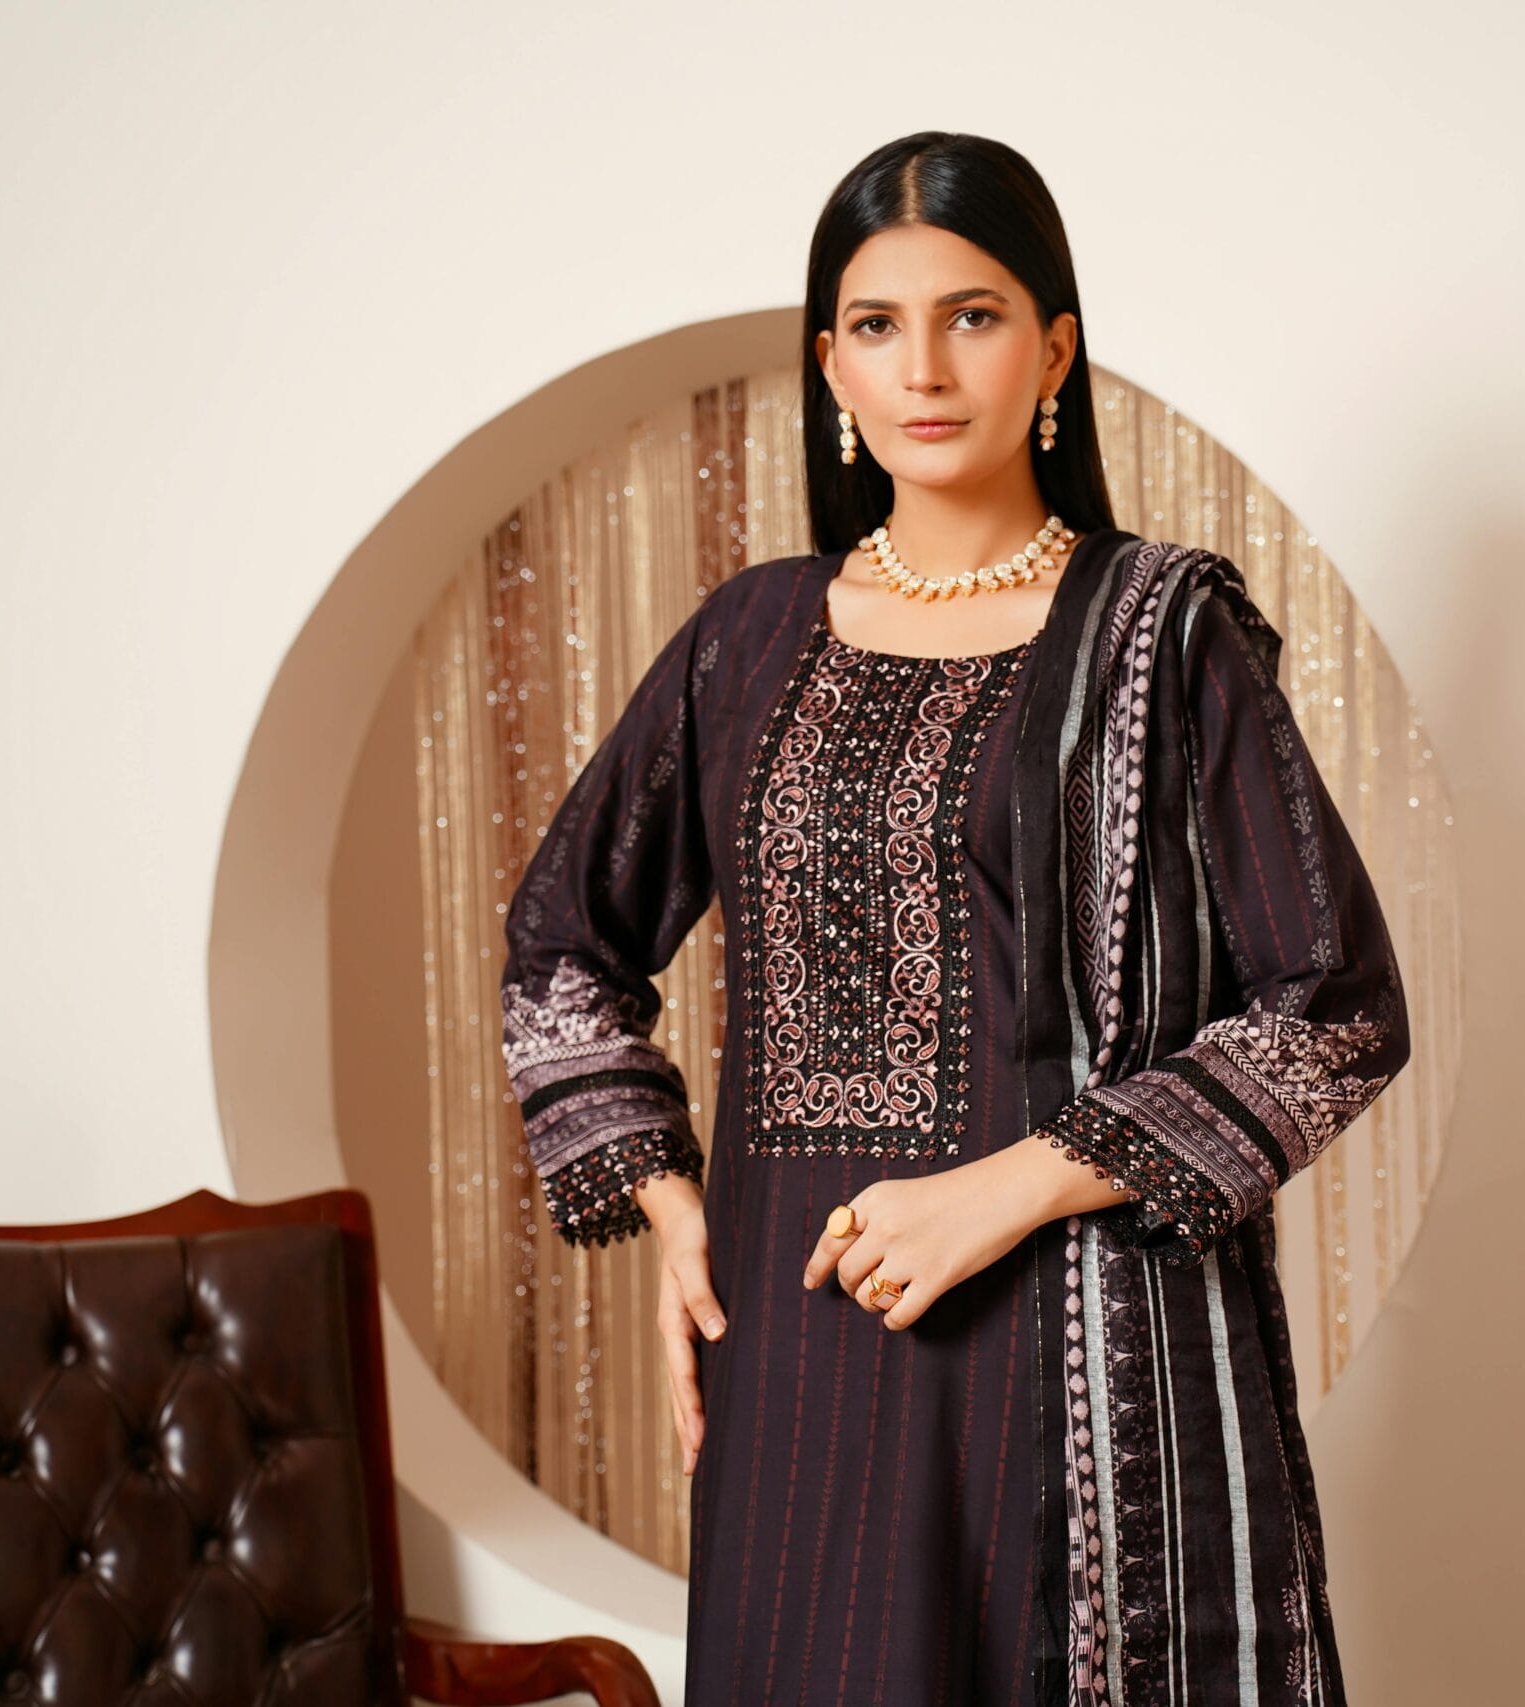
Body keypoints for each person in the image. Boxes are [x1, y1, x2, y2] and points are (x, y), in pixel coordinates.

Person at [499, 130, 1410, 1707]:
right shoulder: (748, 638)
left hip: (1084, 1335)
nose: (924, 366)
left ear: (1055, 346)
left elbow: (1334, 1010)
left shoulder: (1161, 633)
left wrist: (1009, 1189)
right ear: (830, 365)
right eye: (875, 323)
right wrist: (668, 1207)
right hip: (802, 1357)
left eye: (973, 316)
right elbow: (565, 947)